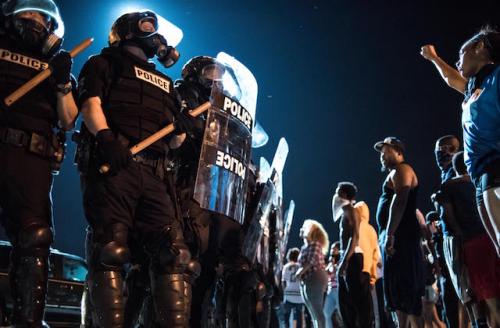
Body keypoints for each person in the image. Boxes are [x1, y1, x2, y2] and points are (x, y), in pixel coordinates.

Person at [76, 10, 195, 327]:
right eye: (145, 26)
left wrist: (180, 129)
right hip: (117, 166)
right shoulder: (103, 63)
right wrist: (105, 138)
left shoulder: (167, 84)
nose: (152, 32)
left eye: (154, 27)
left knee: (174, 255)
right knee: (110, 250)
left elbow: (173, 142)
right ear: (126, 31)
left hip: (156, 174)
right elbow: (90, 103)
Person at [0, 0, 78, 326]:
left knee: (35, 237)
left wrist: (62, 84)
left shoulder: (54, 64)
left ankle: (27, 319)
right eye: (27, 13)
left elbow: (69, 119)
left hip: (32, 159)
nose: (33, 20)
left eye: (40, 16)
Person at [420, 28, 500, 256]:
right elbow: (450, 78)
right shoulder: (475, 87)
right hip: (482, 178)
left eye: (462, 52)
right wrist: (434, 58)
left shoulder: (497, 78)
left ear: (480, 47)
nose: (457, 61)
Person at [438, 151, 500, 327]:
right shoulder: (481, 178)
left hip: (472, 244)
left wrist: (460, 238)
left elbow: (449, 217)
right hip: (492, 238)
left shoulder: (449, 186)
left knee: (487, 297)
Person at [374, 137, 425, 327]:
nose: (381, 156)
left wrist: (390, 234)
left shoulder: (402, 169)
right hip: (396, 239)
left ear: (398, 151)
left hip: (401, 239)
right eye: (380, 153)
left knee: (409, 293)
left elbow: (401, 198)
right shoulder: (394, 172)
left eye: (385, 151)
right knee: (398, 295)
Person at [433, 135, 465, 328]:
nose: (441, 153)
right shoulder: (445, 174)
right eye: (438, 150)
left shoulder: (455, 172)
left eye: (446, 148)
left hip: (459, 238)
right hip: (453, 237)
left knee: (457, 295)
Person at [332, 182, 373, 328]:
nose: (335, 195)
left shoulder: (351, 210)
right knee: (346, 304)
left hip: (353, 258)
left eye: (338, 192)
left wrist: (344, 261)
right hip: (348, 257)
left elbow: (354, 237)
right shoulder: (345, 211)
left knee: (358, 303)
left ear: (344, 194)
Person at [296, 219, 329, 328]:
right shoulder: (305, 247)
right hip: (307, 279)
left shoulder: (315, 244)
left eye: (304, 227)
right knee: (312, 311)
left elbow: (311, 261)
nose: (301, 229)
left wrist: (299, 273)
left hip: (315, 277)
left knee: (317, 310)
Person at [355, 201, 382, 328]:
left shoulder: (354, 227)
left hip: (356, 273)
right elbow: (375, 255)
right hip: (370, 275)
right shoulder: (371, 229)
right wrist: (373, 275)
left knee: (359, 310)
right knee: (374, 310)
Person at [280, 247, 305, 328]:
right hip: (299, 296)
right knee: (299, 318)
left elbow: (283, 281)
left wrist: (284, 292)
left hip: (288, 295)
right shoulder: (301, 266)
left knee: (286, 317)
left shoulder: (286, 266)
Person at [323, 242, 340, 328]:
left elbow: (336, 273)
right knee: (326, 313)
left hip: (338, 290)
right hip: (330, 290)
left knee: (342, 314)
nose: (332, 250)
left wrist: (333, 264)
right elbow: (326, 273)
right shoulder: (330, 262)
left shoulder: (341, 260)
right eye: (331, 248)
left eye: (334, 248)